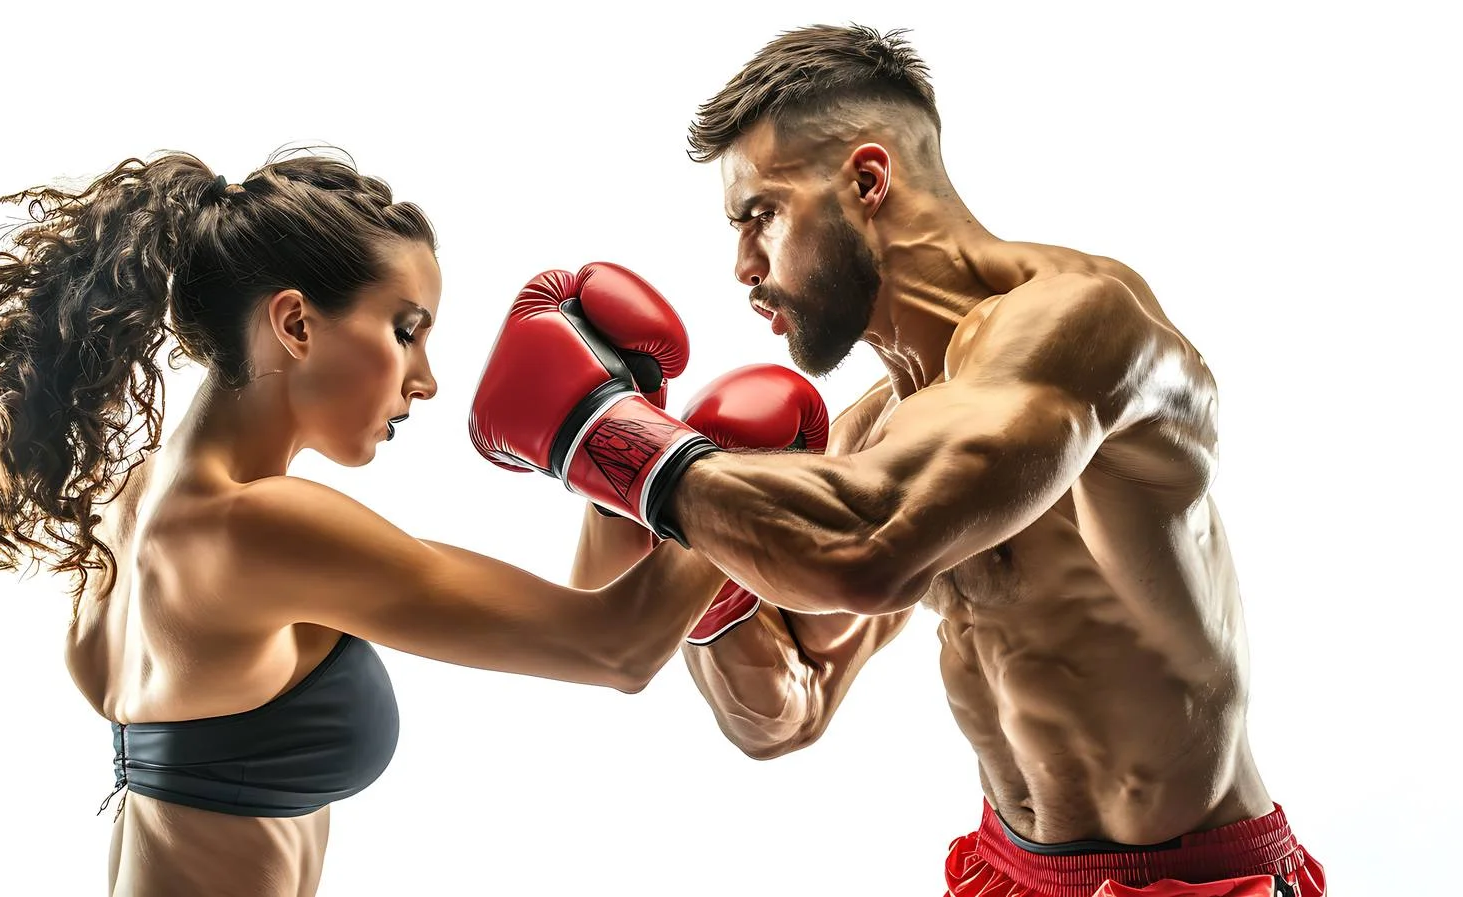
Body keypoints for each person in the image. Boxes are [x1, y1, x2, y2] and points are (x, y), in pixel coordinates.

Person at [468, 24, 1325, 897]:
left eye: (760, 214)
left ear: (867, 180)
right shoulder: (878, 434)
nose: (742, 266)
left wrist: (603, 433)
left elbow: (868, 541)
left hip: (1192, 880)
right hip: (1008, 869)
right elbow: (783, 711)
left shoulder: (1086, 327)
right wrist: (661, 511)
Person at [0, 149, 729, 897]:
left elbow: (592, 615)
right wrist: (727, 467)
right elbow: (616, 646)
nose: (426, 380)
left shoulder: (130, 498)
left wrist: (612, 449)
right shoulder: (255, 527)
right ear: (296, 324)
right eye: (405, 331)